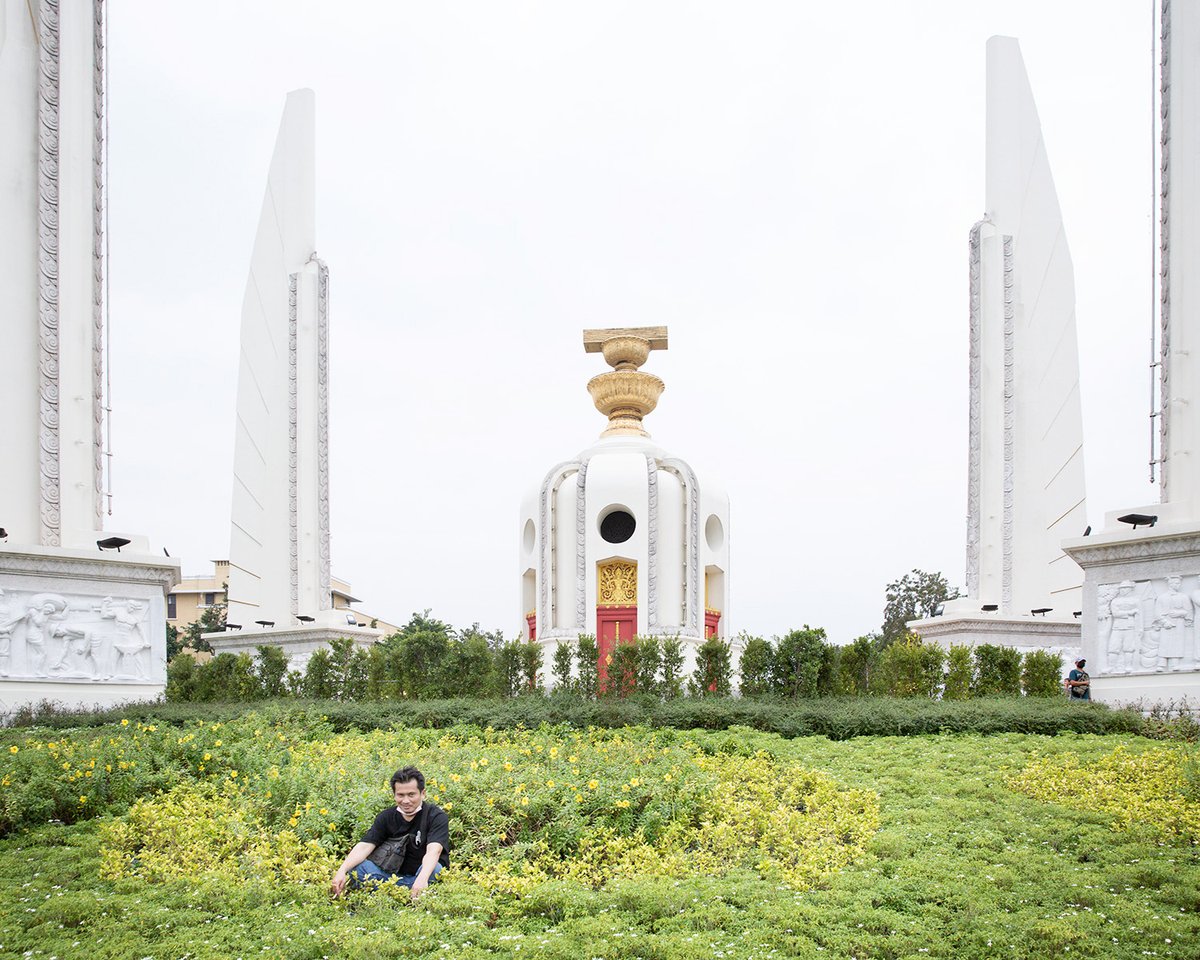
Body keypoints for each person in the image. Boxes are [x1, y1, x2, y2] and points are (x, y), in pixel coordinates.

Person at [330, 766, 449, 898]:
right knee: (358, 868)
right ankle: (400, 894)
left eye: (411, 795)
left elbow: (434, 851)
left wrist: (422, 879)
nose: (406, 801)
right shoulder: (386, 817)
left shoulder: (436, 816)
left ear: (423, 793)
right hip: (390, 878)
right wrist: (342, 870)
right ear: (394, 795)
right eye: (400, 795)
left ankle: (401, 893)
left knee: (436, 869)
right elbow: (365, 846)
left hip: (422, 877)